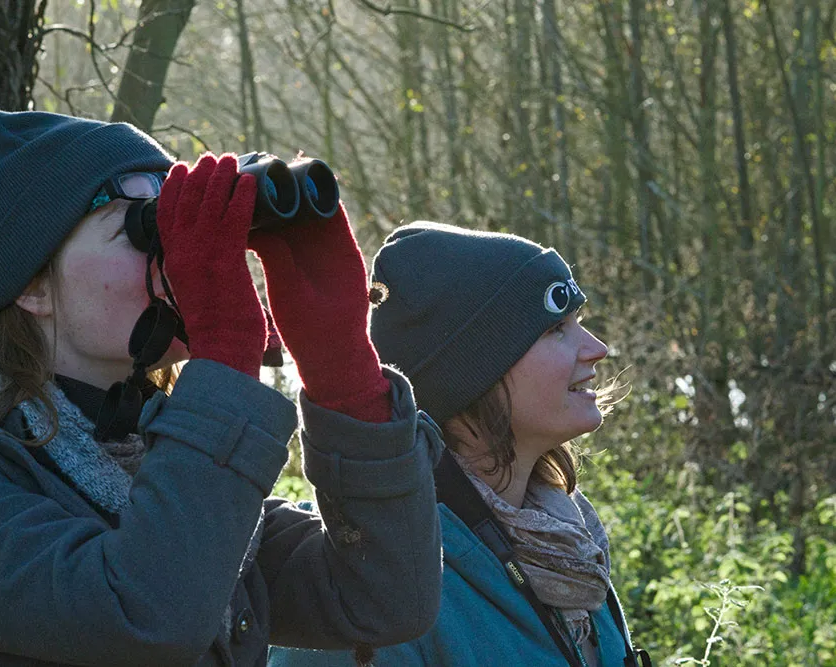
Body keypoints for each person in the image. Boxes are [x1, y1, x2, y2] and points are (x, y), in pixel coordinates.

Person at [0, 111, 443, 666]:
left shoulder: (168, 472)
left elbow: (384, 599)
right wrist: (225, 348)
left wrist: (341, 368)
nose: (183, 254)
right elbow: (146, 615)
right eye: (149, 228)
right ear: (32, 286)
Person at [270, 222, 647, 667]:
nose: (597, 348)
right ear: (472, 374)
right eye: (555, 329)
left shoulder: (567, 544)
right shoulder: (366, 581)